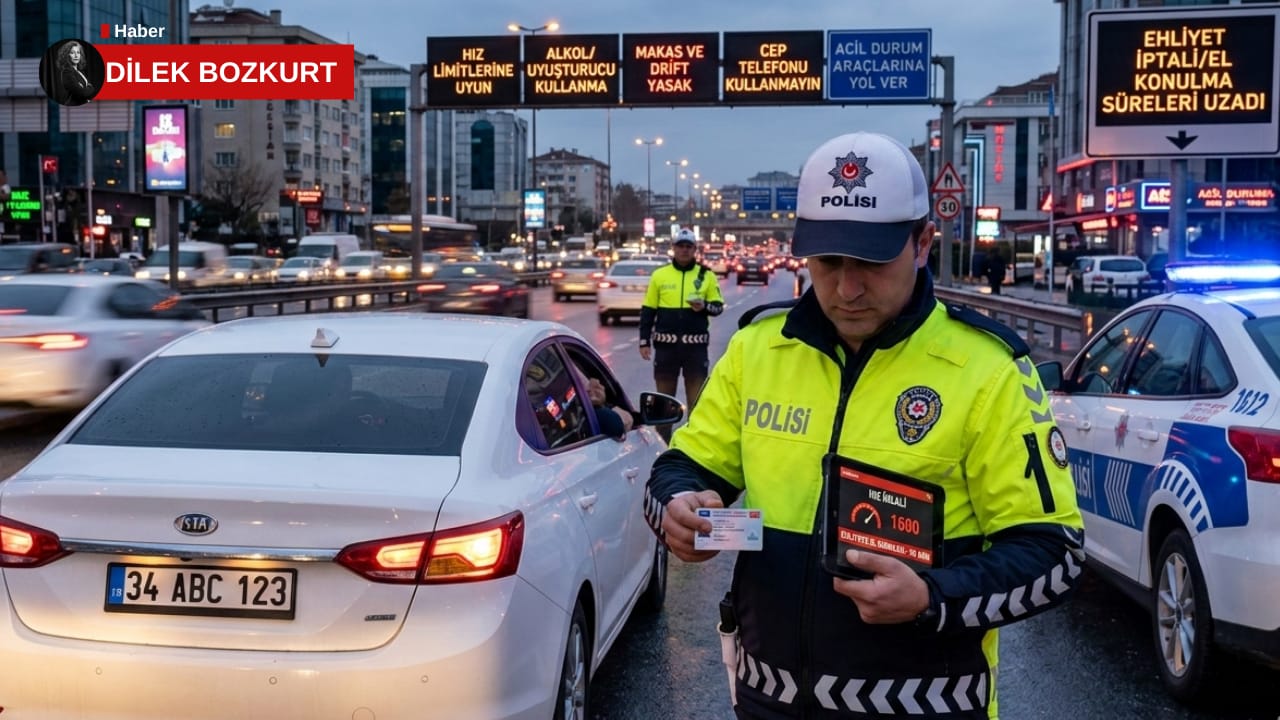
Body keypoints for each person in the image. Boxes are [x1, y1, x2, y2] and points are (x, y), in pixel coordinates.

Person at [644, 131, 1084, 719]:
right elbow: (680, 469)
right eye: (827, 262)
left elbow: (1054, 554)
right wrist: (677, 509)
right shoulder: (758, 349)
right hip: (768, 701)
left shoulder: (988, 370)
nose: (847, 289)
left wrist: (931, 597)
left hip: (924, 707)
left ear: (922, 244)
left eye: (872, 263)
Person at [638, 228, 724, 442]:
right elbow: (648, 310)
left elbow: (718, 307)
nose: (684, 250)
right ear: (673, 249)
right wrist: (644, 341)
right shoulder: (660, 275)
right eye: (680, 246)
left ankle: (691, 449)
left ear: (695, 249)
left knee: (696, 403)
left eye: (688, 246)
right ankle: (662, 447)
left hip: (695, 350)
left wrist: (703, 306)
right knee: (663, 403)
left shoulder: (706, 275)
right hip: (666, 350)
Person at [51, 41, 96, 107]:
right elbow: (82, 93)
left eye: (78, 52)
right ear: (67, 55)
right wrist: (89, 88)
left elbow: (89, 90)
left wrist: (87, 88)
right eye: (72, 53)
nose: (76, 55)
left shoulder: (80, 72)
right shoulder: (67, 72)